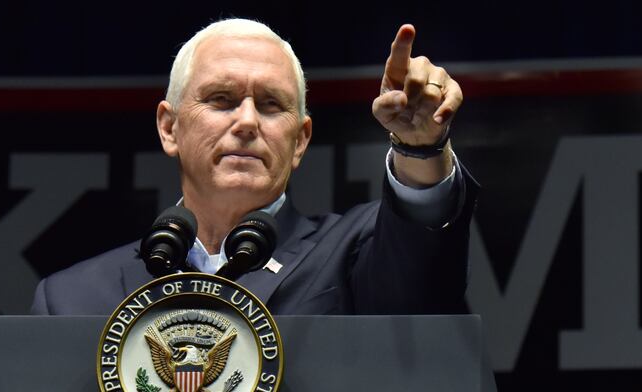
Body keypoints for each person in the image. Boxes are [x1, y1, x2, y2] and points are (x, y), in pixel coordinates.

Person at [31, 18, 478, 316]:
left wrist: (421, 147)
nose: (247, 122)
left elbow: (421, 266)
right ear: (169, 128)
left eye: (270, 105)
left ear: (300, 140)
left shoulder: (355, 254)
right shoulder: (72, 300)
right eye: (221, 99)